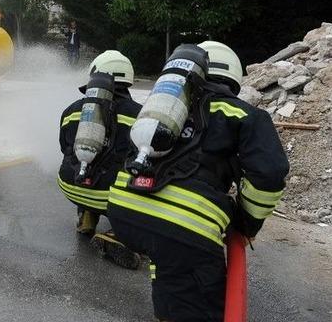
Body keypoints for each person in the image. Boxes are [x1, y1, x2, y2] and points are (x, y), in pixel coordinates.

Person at [107, 41, 289, 321]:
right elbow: (269, 174)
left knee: (168, 259)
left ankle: (167, 310)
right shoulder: (245, 115)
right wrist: (246, 222)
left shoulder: (160, 109)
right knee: (198, 296)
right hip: (185, 228)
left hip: (122, 209)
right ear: (232, 78)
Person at [57, 50, 142, 269]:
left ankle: (86, 215)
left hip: (70, 185)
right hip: (109, 195)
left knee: (91, 166)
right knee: (144, 177)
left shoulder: (72, 110)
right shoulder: (141, 114)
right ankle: (119, 234)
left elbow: (65, 148)